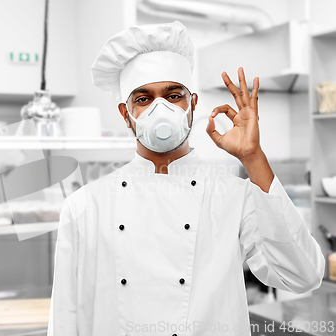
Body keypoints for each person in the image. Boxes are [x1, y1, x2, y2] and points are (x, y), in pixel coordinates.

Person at [47, 21, 325, 336]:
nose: (160, 109)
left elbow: (304, 276)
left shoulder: (233, 195)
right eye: (143, 99)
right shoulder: (85, 206)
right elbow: (65, 319)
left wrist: (253, 157)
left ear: (192, 105)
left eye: (173, 95)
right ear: (126, 114)